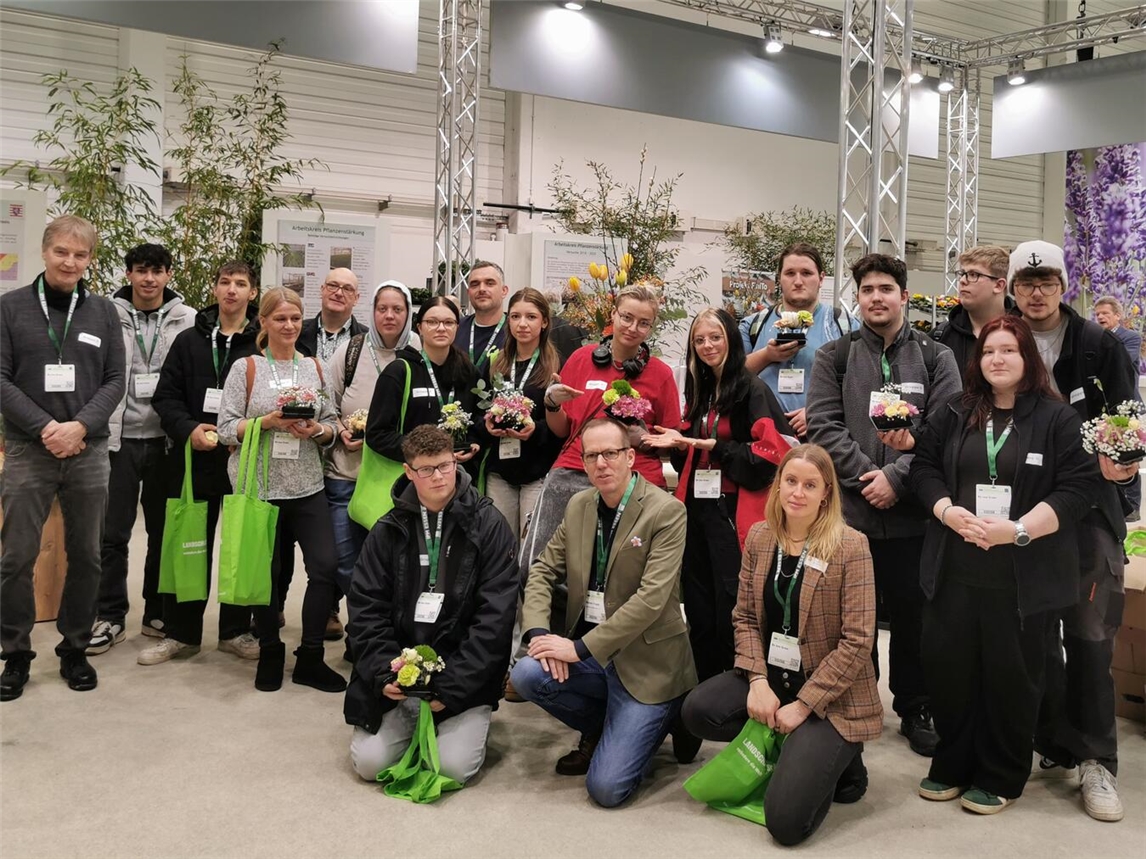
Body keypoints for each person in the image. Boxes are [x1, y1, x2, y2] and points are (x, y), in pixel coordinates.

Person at [900, 315, 1101, 815]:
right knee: (950, 671)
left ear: (1027, 357)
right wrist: (946, 511)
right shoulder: (955, 411)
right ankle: (952, 762)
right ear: (978, 359)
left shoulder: (1057, 419)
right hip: (954, 570)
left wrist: (1018, 529)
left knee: (1012, 677)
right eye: (989, 351)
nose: (997, 359)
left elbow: (1078, 489)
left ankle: (1001, 773)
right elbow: (922, 468)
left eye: (1009, 350)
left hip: (1021, 579)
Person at [681, 445, 880, 846]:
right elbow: (746, 617)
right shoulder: (760, 536)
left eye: (810, 485)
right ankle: (796, 751)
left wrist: (804, 705)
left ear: (826, 492)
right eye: (790, 481)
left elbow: (858, 642)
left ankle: (844, 760)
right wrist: (756, 680)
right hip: (772, 674)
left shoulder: (850, 546)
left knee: (785, 824)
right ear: (778, 485)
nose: (798, 493)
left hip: (829, 694)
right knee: (698, 711)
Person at [806, 253, 962, 757]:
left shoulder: (938, 357)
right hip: (852, 516)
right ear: (858, 296)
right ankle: (857, 700)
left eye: (886, 289)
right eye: (867, 289)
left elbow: (946, 426)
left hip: (916, 514)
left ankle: (915, 705)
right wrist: (865, 477)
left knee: (917, 618)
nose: (876, 297)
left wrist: (897, 478)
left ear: (902, 294)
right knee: (855, 618)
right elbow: (824, 424)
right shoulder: (835, 356)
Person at [510, 418, 697, 808]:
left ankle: (669, 714)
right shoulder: (580, 505)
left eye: (610, 453)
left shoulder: (666, 511)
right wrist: (537, 635)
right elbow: (543, 569)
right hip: (596, 657)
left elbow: (650, 599)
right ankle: (605, 725)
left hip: (647, 662)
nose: (601, 464)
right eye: (592, 455)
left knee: (607, 790)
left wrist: (577, 650)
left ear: (630, 457)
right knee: (527, 672)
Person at [1009, 242, 1134, 823]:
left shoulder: (1100, 344)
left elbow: (1127, 419)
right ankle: (1055, 743)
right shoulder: (1003, 342)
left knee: (1088, 636)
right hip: (1026, 512)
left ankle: (1097, 761)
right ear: (1013, 288)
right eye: (1027, 280)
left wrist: (1126, 461)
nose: (1037, 290)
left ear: (1064, 285)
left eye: (1047, 279)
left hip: (1089, 512)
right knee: (1034, 634)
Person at [345, 426, 518, 784]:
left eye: (444, 465)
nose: (438, 476)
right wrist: (384, 672)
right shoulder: (387, 529)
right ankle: (413, 718)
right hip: (402, 673)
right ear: (409, 471)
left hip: (462, 676)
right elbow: (365, 609)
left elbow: (495, 619)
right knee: (370, 765)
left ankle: (461, 718)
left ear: (455, 460)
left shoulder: (489, 525)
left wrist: (453, 688)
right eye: (426, 469)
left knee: (453, 770)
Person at [0, 215, 125, 701]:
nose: (70, 262)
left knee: (88, 555)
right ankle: (15, 653)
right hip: (31, 450)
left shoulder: (102, 313)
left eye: (80, 255)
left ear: (90, 259)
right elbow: (2, 379)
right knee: (15, 558)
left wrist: (79, 427)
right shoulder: (10, 309)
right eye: (62, 253)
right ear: (45, 252)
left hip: (87, 451)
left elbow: (116, 378)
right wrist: (46, 428)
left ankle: (74, 649)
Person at [643, 308, 793, 682]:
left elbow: (772, 455)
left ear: (731, 339)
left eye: (715, 337)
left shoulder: (751, 389)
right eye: (699, 340)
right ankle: (704, 684)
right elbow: (693, 454)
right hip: (696, 508)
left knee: (733, 601)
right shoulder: (702, 389)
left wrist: (715, 445)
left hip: (734, 511)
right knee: (696, 599)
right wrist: (678, 445)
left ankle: (740, 683)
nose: (707, 346)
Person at [216, 286, 345, 694]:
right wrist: (266, 422)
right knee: (267, 577)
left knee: (325, 567)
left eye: (294, 318)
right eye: (280, 319)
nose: (288, 326)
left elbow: (333, 424)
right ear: (264, 322)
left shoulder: (315, 367)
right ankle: (270, 650)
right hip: (260, 487)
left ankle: (309, 655)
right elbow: (223, 429)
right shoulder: (246, 368)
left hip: (307, 485)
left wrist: (318, 431)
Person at [520, 284, 682, 599]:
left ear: (651, 327)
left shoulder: (660, 374)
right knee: (533, 565)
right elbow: (561, 430)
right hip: (573, 469)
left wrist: (642, 438)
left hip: (632, 478)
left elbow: (669, 438)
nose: (633, 328)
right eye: (626, 317)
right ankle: (541, 638)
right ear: (613, 315)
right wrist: (552, 403)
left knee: (615, 578)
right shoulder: (581, 360)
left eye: (644, 323)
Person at [147, 261, 262, 666]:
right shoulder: (188, 341)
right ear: (214, 289)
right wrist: (190, 429)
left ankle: (235, 630)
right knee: (188, 544)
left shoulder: (261, 344)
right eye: (224, 282)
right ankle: (181, 632)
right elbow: (165, 398)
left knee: (239, 546)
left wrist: (242, 434)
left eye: (241, 284)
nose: (231, 290)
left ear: (252, 293)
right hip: (192, 461)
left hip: (241, 463)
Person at [88, 243, 195, 654]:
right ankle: (110, 614)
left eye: (157, 271)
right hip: (117, 441)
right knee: (112, 534)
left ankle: (156, 608)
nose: (149, 279)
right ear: (129, 273)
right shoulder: (104, 314)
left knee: (162, 532)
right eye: (141, 270)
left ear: (169, 274)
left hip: (165, 441)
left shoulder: (187, 320)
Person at [326, 281, 419, 605]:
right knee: (345, 561)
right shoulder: (350, 351)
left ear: (408, 313)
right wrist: (340, 431)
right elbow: (329, 405)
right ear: (373, 311)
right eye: (383, 309)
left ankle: (370, 635)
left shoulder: (419, 352)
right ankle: (366, 621)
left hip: (397, 481)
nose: (389, 316)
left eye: (397, 309)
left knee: (393, 567)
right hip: (348, 476)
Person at [740, 243, 852, 438]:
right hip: (763, 438)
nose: (798, 281)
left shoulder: (844, 325)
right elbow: (731, 377)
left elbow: (861, 383)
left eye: (806, 273)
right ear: (779, 279)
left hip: (824, 437)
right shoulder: (752, 325)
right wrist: (767, 355)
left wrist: (817, 412)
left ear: (821, 279)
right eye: (790, 273)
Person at [364, 296, 481, 478]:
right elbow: (377, 434)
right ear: (419, 328)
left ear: (457, 327)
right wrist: (427, 454)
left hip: (456, 478)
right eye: (432, 322)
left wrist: (473, 442)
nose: (441, 328)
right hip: (410, 479)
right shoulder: (399, 371)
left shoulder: (469, 373)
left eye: (448, 322)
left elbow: (477, 420)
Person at [480, 287, 563, 540]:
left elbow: (565, 424)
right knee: (500, 544)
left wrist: (536, 430)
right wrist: (486, 424)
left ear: (545, 321)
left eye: (531, 317)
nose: (522, 324)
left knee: (532, 545)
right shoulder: (496, 362)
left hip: (538, 470)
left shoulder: (557, 364)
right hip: (500, 470)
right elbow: (476, 408)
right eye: (515, 317)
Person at [1094, 295, 1143, 520]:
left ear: (1118, 316)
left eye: (1105, 313)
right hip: (1104, 409)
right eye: (1097, 315)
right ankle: (1116, 505)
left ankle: (1133, 506)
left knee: (1128, 455)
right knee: (1107, 455)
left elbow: (1121, 360)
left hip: (1126, 407)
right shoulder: (1095, 338)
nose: (1100, 317)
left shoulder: (1130, 337)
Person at [932, 245, 1014, 375]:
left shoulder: (1025, 333)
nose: (963, 281)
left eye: (973, 275)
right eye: (962, 274)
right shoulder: (939, 337)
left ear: (999, 285)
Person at [297, 267, 366, 364]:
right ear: (322, 290)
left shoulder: (367, 340)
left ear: (356, 298)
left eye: (347, 289)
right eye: (333, 285)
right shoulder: (297, 332)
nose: (338, 293)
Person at [455, 260, 509, 377]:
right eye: (475, 284)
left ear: (504, 291)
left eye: (490, 283)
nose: (481, 289)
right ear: (469, 292)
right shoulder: (456, 328)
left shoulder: (517, 330)